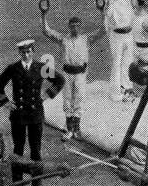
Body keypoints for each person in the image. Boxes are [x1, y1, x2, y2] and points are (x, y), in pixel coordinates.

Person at [0, 40, 50, 186]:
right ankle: (17, 182)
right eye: (23, 52)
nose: (26, 55)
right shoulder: (13, 68)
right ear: (19, 53)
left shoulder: (41, 67)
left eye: (29, 52)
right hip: (18, 114)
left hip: (35, 114)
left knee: (36, 149)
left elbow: (59, 80)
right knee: (18, 148)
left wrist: (47, 95)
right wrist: (6, 102)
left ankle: (37, 183)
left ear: (33, 51)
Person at [42, 13, 103, 142]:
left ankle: (77, 129)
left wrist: (102, 13)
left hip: (80, 74)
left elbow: (102, 30)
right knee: (68, 100)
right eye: (72, 26)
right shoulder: (64, 39)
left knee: (79, 99)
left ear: (81, 28)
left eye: (77, 26)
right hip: (67, 74)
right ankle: (69, 130)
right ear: (69, 27)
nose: (74, 28)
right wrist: (43, 15)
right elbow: (47, 31)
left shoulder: (86, 39)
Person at [103, 0, 138, 102]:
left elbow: (136, 5)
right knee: (117, 63)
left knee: (128, 63)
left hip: (128, 35)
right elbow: (106, 14)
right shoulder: (110, 2)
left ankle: (127, 88)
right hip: (117, 36)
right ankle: (115, 92)